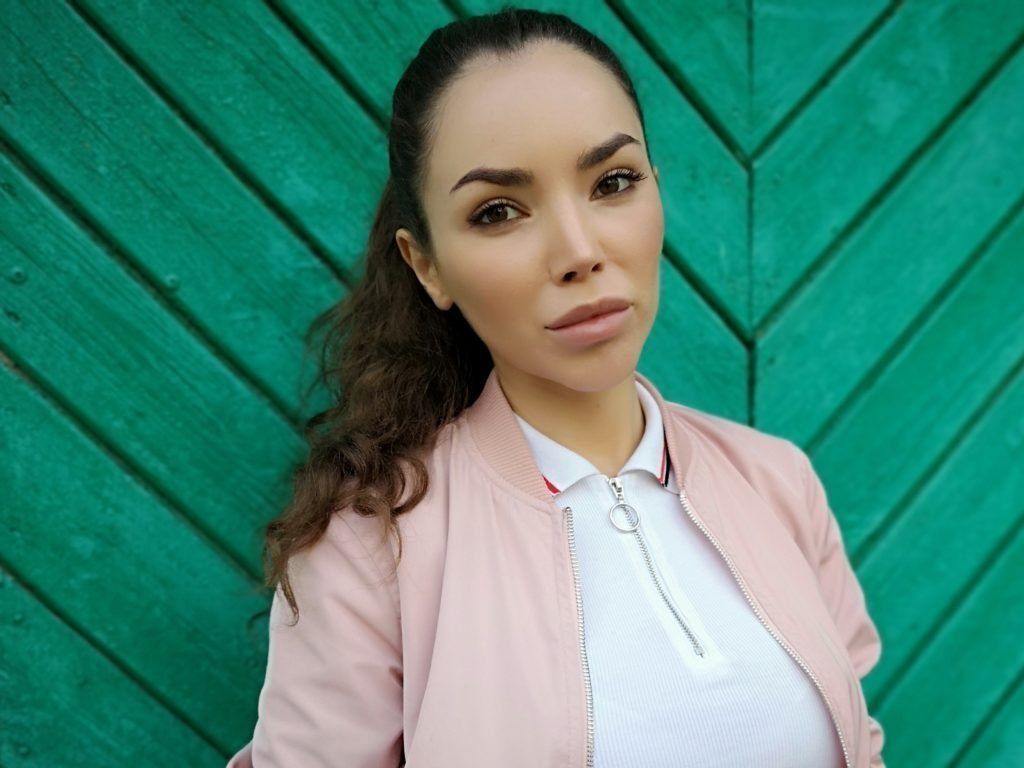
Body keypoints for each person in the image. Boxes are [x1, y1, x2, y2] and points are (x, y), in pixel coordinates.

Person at [226, 6, 886, 767]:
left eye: (613, 182)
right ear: (427, 265)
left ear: (657, 192)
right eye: (498, 212)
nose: (579, 251)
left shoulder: (777, 483)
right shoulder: (369, 548)